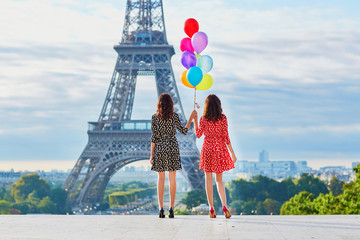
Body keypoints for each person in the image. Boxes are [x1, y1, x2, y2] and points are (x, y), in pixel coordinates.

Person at [150, 93, 196, 218]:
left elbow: (154, 137)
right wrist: (191, 118)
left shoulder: (155, 117)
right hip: (172, 147)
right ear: (171, 104)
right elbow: (184, 131)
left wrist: (151, 155)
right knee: (172, 179)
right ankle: (171, 208)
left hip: (159, 147)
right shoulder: (174, 116)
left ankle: (160, 209)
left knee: (160, 179)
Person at [193, 94, 237, 218]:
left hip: (208, 148)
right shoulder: (223, 118)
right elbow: (226, 136)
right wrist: (232, 153)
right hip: (219, 148)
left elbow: (198, 135)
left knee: (208, 179)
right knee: (219, 180)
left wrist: (195, 120)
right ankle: (224, 206)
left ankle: (211, 208)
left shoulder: (204, 118)